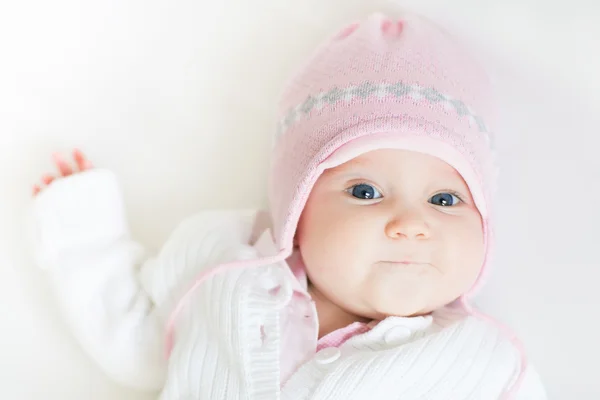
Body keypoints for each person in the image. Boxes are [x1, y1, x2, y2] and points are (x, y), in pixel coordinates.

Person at [29, 11, 547, 399]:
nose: (410, 224)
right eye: (365, 192)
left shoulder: (488, 366)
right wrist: (85, 233)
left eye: (445, 198)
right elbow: (138, 345)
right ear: (296, 207)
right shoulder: (222, 268)